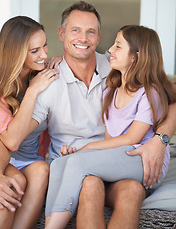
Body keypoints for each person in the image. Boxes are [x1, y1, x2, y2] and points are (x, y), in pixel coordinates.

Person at [0, 1, 175, 229]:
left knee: (133, 190)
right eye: (75, 30)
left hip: (119, 163)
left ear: (98, 38)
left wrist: (161, 139)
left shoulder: (118, 68)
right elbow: (8, 138)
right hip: (74, 167)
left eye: (91, 32)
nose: (83, 38)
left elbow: (168, 97)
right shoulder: (46, 81)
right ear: (61, 34)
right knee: (90, 185)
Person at [44, 25, 176, 229]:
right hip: (123, 158)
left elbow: (132, 139)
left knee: (78, 163)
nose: (110, 50)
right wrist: (80, 153)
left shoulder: (150, 92)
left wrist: (85, 150)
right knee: (60, 163)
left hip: (143, 159)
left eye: (118, 46)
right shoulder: (111, 92)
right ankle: (50, 220)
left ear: (136, 57)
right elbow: (109, 141)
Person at [0, 16, 59, 229]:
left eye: (45, 45)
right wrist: (33, 91)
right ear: (16, 53)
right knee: (14, 183)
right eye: (35, 50)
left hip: (29, 160)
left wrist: (64, 61)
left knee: (41, 170)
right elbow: (10, 141)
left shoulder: (42, 72)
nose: (44, 54)